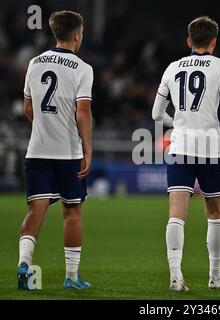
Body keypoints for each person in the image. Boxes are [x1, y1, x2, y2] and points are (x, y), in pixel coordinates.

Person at [152, 16, 220, 291]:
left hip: (180, 147)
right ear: (214, 41)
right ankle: (214, 276)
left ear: (189, 41)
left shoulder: (172, 68)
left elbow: (155, 114)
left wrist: (176, 122)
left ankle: (176, 276)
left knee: (176, 214)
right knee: (215, 213)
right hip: (211, 147)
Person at [18, 10, 93, 290]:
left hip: (37, 150)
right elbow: (82, 112)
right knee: (72, 212)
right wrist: (88, 149)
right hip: (68, 152)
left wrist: (45, 128)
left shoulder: (34, 63)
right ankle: (71, 277)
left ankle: (24, 263)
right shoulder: (83, 68)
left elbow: (28, 107)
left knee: (35, 209)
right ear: (77, 34)